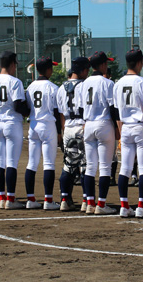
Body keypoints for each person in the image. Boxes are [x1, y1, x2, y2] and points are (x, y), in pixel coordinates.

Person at [0, 50, 30, 209]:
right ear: (12, 64)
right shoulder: (15, 82)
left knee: (0, 163)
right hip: (12, 123)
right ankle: (10, 200)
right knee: (11, 163)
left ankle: (2, 198)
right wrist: (29, 112)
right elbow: (19, 105)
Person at [114, 48, 143, 218]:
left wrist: (121, 132)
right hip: (141, 126)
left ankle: (124, 205)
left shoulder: (118, 83)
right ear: (139, 63)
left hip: (126, 127)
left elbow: (116, 111)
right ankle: (141, 206)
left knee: (125, 168)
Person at [78, 51, 119, 214]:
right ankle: (101, 205)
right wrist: (117, 128)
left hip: (88, 124)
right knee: (104, 167)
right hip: (104, 124)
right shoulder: (107, 83)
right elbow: (112, 108)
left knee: (90, 167)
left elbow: (81, 108)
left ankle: (90, 203)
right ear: (102, 65)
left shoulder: (84, 83)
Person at [25, 56, 62, 210]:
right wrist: (60, 132)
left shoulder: (30, 87)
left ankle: (30, 199)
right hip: (48, 125)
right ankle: (48, 200)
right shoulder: (53, 87)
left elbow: (26, 107)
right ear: (48, 69)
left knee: (32, 163)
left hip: (33, 124)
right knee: (48, 163)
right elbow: (56, 111)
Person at [57, 58, 90, 211]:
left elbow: (61, 114)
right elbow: (84, 109)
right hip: (81, 126)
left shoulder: (61, 87)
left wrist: (64, 131)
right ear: (82, 70)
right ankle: (85, 201)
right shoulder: (84, 86)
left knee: (68, 165)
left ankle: (65, 198)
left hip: (68, 128)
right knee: (84, 165)